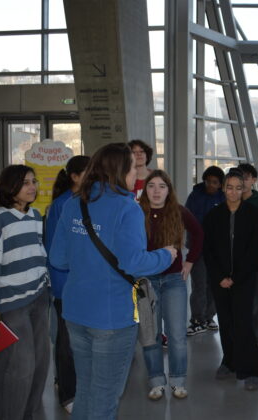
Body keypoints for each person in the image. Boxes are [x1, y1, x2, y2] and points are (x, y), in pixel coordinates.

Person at [49, 143, 176, 420]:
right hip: (112, 317)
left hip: (75, 312)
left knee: (86, 390)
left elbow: (58, 258)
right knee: (105, 397)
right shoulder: (127, 209)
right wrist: (165, 256)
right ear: (120, 171)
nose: (136, 174)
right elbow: (133, 262)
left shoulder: (73, 203)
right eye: (133, 169)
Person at [0, 164, 51, 420]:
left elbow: (38, 253)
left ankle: (29, 414)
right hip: (10, 304)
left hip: (39, 298)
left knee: (40, 364)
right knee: (19, 368)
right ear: (11, 187)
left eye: (34, 182)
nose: (32, 187)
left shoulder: (35, 216)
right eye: (26, 182)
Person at [139, 170, 203, 401]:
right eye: (151, 186)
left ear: (169, 190)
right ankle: (156, 381)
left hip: (174, 280)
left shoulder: (178, 211)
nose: (156, 191)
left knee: (176, 334)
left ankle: (178, 380)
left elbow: (198, 234)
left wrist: (190, 261)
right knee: (150, 335)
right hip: (146, 282)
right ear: (145, 190)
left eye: (162, 186)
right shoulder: (137, 212)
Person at [203, 169, 258, 390]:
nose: (234, 192)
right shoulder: (213, 215)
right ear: (223, 188)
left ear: (244, 189)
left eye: (239, 188)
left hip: (244, 279)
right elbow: (207, 250)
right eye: (230, 187)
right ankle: (229, 362)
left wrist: (235, 278)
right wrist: (220, 277)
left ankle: (251, 370)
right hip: (220, 281)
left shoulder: (253, 214)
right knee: (226, 322)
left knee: (244, 323)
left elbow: (254, 251)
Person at [44, 155, 90, 413]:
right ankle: (67, 392)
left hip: (86, 283)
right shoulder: (62, 205)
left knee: (81, 340)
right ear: (74, 177)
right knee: (66, 341)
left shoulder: (91, 201)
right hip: (67, 285)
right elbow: (54, 249)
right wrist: (63, 285)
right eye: (88, 172)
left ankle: (74, 384)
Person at [185, 165, 225, 335]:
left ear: (220, 184)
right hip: (198, 249)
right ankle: (197, 320)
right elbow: (187, 219)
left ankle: (209, 317)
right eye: (208, 181)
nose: (210, 185)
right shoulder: (195, 196)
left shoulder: (224, 198)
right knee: (199, 285)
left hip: (217, 251)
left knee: (214, 285)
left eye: (214, 182)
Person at [237, 162, 258, 349]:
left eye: (246, 177)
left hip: (253, 261)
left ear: (254, 180)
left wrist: (253, 243)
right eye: (239, 176)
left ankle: (255, 337)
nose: (242, 181)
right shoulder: (230, 200)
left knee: (255, 301)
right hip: (231, 262)